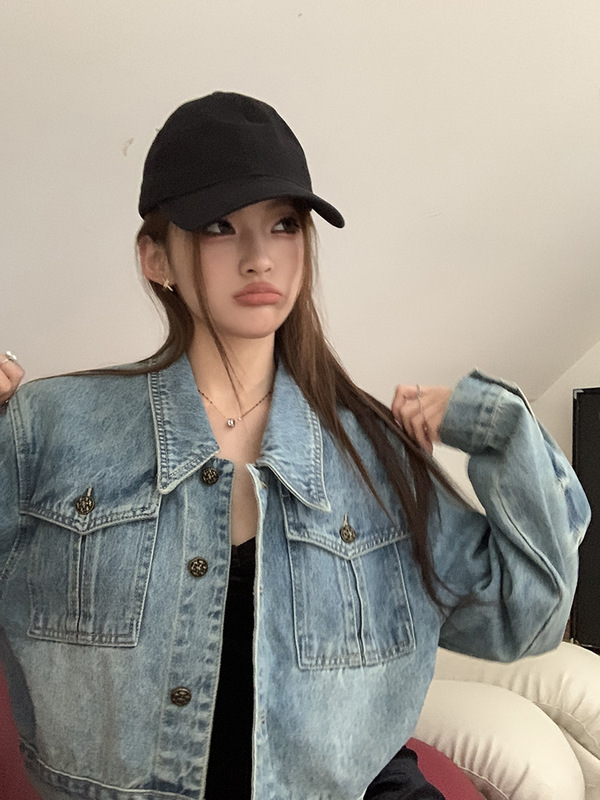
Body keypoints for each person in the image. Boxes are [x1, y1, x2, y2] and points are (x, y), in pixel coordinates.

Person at [0, 92, 590, 800]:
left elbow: (526, 617)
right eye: (219, 227)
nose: (259, 258)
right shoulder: (49, 430)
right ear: (156, 258)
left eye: (283, 225)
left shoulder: (374, 453)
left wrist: (496, 425)